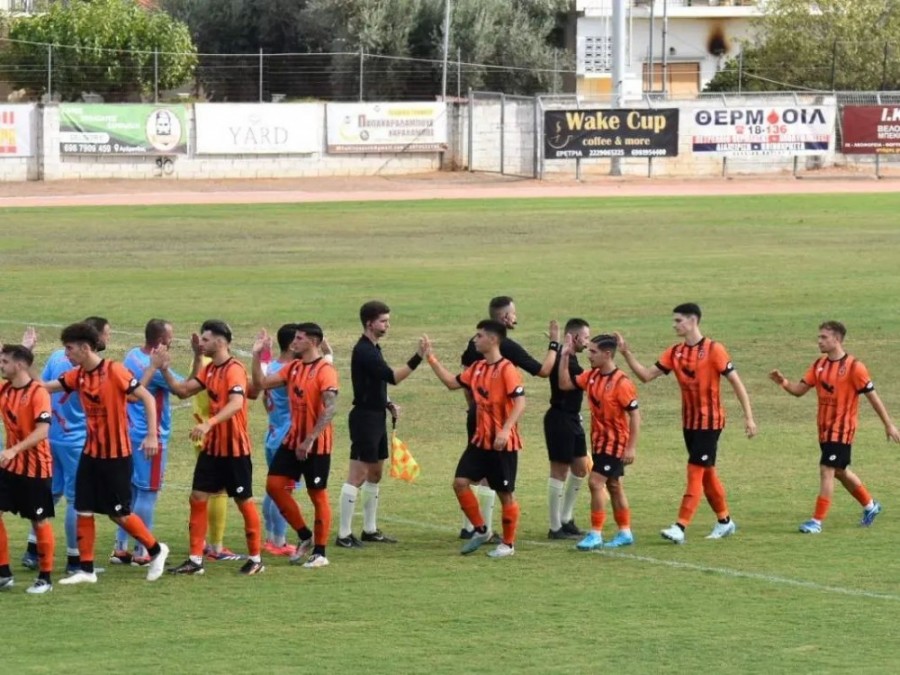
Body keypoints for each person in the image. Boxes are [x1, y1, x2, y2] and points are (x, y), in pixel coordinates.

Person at [616, 303, 757, 544]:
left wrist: (749, 417)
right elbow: (646, 376)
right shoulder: (675, 352)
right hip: (689, 423)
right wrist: (626, 353)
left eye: (678, 321)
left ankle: (680, 526)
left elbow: (736, 382)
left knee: (694, 470)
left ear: (693, 321)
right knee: (706, 472)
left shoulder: (714, 350)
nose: (675, 325)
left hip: (710, 423)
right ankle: (725, 521)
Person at [41, 322, 169, 585]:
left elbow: (144, 397)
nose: (66, 354)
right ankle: (86, 569)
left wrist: (152, 435)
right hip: (91, 454)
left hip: (116, 457)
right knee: (83, 508)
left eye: (69, 348)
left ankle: (156, 550)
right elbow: (47, 387)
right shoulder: (78, 375)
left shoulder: (114, 371)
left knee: (118, 513)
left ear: (85, 348)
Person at [152, 320, 264, 576]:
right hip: (212, 450)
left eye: (205, 339)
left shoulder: (234, 369)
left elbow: (237, 403)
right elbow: (182, 391)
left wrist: (208, 424)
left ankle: (256, 558)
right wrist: (165, 369)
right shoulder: (210, 369)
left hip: (235, 450)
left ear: (220, 342)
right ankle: (195, 560)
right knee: (197, 497)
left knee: (243, 500)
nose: (200, 343)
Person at [769, 321, 900, 533]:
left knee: (826, 469)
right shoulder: (819, 365)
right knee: (839, 471)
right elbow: (799, 390)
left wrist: (888, 424)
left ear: (836, 340)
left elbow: (873, 397)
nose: (819, 341)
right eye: (819, 337)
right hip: (824, 430)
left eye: (823, 337)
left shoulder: (855, 367)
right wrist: (783, 382)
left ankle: (816, 522)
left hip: (842, 429)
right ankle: (870, 505)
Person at [459, 296, 559, 540]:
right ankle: (486, 530)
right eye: (513, 313)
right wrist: (555, 344)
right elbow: (543, 371)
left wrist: (472, 405)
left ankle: (471, 527)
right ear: (504, 318)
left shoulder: (474, 343)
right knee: (492, 474)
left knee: (474, 471)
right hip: (496, 419)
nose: (516, 317)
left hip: (475, 413)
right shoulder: (505, 347)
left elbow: (464, 377)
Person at [424, 320, 526, 559]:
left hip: (502, 444)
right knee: (460, 482)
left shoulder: (507, 369)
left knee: (505, 494)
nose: (475, 339)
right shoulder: (478, 367)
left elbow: (521, 402)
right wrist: (431, 358)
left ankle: (508, 545)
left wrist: (505, 430)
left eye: (479, 336)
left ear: (493, 339)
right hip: (480, 442)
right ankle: (481, 529)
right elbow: (452, 383)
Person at [336, 301, 425, 549]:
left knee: (375, 473)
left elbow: (375, 384)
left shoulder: (374, 348)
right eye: (383, 321)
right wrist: (419, 357)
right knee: (358, 474)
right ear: (369, 323)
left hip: (376, 416)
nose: (387, 325)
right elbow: (392, 377)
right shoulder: (364, 351)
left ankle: (370, 529)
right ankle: (343, 534)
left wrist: (387, 403)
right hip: (365, 419)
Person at [24, 316, 109, 574]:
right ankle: (75, 561)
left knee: (50, 493)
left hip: (51, 436)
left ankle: (32, 551)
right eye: (106, 334)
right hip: (76, 441)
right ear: (91, 340)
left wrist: (27, 354)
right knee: (76, 499)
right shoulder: (88, 371)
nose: (108, 338)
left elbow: (41, 388)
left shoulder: (56, 358)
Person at [252, 323, 338, 568]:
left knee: (317, 494)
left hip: (316, 444)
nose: (294, 342)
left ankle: (320, 552)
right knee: (274, 485)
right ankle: (305, 536)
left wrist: (310, 439)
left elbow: (330, 408)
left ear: (312, 341)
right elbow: (261, 384)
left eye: (299, 338)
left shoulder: (325, 371)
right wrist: (257, 356)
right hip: (292, 440)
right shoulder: (294, 367)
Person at [111, 319, 191, 566]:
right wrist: (196, 358)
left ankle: (120, 548)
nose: (172, 341)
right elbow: (183, 389)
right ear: (160, 342)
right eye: (170, 338)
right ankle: (143, 551)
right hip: (150, 438)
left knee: (132, 493)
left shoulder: (132, 355)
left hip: (130, 433)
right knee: (147, 493)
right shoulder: (153, 369)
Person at [558, 334, 640, 550]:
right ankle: (625, 532)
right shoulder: (592, 376)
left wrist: (631, 447)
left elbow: (635, 415)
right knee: (613, 485)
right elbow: (564, 384)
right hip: (600, 442)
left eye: (593, 351)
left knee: (595, 482)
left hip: (615, 443)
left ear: (607, 354)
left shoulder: (622, 383)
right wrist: (565, 356)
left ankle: (595, 533)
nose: (589, 354)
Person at [0, 344, 55, 594]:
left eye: (5, 362)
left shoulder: (37, 393)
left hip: (36, 468)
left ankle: (45, 578)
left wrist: (13, 450)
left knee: (38, 520)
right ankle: (3, 573)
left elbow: (43, 431)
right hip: (11, 466)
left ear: (20, 365)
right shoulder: (5, 389)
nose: (1, 366)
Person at [544, 318, 591, 539]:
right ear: (573, 337)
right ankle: (555, 527)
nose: (588, 342)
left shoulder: (570, 358)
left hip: (573, 418)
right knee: (559, 471)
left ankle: (566, 518)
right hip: (560, 419)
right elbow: (564, 385)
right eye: (586, 337)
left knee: (581, 468)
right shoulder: (563, 360)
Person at [259, 324, 299, 557]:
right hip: (288, 438)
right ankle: (280, 541)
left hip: (272, 433)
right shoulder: (292, 371)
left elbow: (266, 400)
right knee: (283, 492)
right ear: (293, 344)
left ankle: (271, 537)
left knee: (272, 490)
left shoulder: (272, 367)